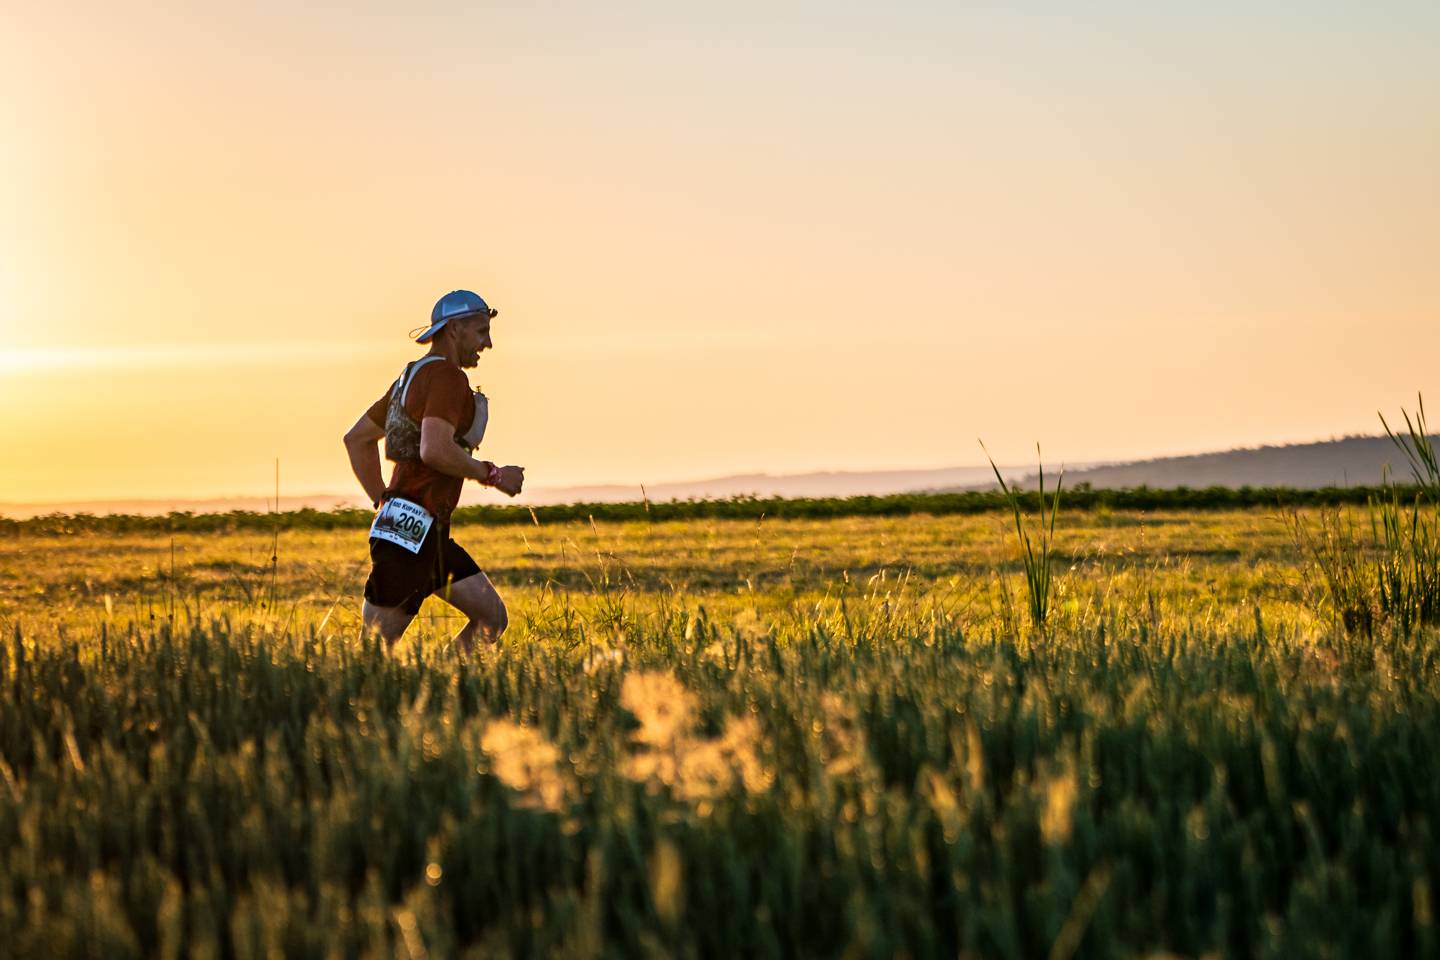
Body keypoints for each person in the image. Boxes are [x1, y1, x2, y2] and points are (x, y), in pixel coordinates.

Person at [343, 289, 525, 651]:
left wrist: (384, 501)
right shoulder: (446, 376)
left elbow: (357, 440)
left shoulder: (409, 378)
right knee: (372, 657)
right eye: (481, 331)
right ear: (454, 329)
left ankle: (440, 688)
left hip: (426, 534)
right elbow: (435, 449)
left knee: (492, 618)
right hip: (410, 537)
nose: (487, 343)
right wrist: (493, 475)